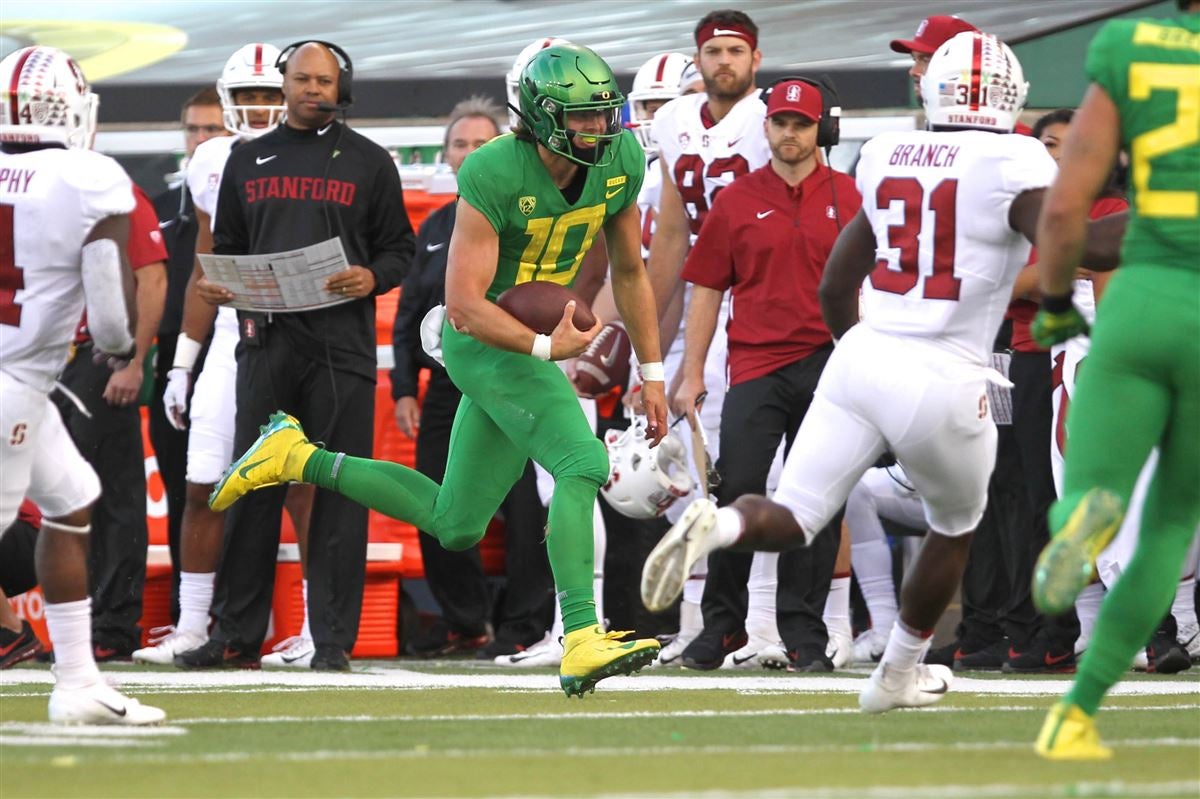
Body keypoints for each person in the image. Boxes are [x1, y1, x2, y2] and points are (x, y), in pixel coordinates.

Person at [641, 31, 1123, 712]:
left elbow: (837, 286)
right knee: (956, 524)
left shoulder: (889, 152)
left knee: (793, 514)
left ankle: (719, 526)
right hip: (947, 373)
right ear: (1010, 94)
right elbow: (1082, 243)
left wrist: (863, 362)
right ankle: (897, 672)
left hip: (861, 357)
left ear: (932, 88)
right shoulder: (1012, 157)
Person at [210, 42, 669, 697]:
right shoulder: (491, 170)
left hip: (534, 334)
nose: (599, 130)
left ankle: (296, 456)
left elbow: (628, 270)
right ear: (541, 118)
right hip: (481, 339)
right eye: (582, 119)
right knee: (582, 463)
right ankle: (581, 637)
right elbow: (462, 305)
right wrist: (546, 351)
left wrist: (652, 371)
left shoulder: (620, 160)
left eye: (603, 116)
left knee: (457, 521)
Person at [182, 41, 414, 672]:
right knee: (251, 486)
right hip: (263, 340)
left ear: (344, 89)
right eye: (303, 79)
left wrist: (371, 278)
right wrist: (215, 284)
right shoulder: (245, 159)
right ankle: (235, 636)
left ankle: (332, 640)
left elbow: (400, 250)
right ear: (284, 83)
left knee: (337, 491)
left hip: (342, 347)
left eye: (325, 81)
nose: (314, 90)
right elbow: (226, 244)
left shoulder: (369, 161)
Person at [1030, 0, 1199, 760]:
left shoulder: (1132, 43)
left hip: (1142, 293)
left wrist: (1060, 302)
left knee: (1095, 484)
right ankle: (1078, 711)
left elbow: (1066, 207)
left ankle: (1081, 519)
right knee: (1168, 527)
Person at [135, 44, 314, 668]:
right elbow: (205, 267)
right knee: (202, 481)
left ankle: (317, 627)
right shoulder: (212, 159)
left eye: (271, 95)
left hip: (302, 328)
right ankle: (192, 624)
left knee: (302, 484)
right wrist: (184, 359)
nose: (261, 109)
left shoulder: (324, 150)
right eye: (249, 97)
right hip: (233, 333)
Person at [0, 45, 165, 724]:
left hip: (20, 381)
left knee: (73, 498)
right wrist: (119, 344)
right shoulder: (86, 175)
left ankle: (76, 681)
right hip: (14, 377)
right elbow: (105, 278)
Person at [675, 77, 861, 671]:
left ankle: (805, 633)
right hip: (756, 363)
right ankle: (723, 625)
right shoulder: (735, 199)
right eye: (780, 122)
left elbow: (880, 286)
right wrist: (690, 372)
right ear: (767, 126)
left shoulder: (854, 196)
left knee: (818, 500)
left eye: (801, 124)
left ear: (820, 130)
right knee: (737, 491)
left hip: (832, 366)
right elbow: (706, 288)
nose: (789, 133)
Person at [52, 105, 168, 661]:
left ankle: (112, 625)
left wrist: (131, 360)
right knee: (52, 498)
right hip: (35, 361)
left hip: (93, 357)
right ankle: (67, 626)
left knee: (109, 496)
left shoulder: (110, 188)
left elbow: (151, 276)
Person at [392, 95, 506, 658]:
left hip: (517, 378)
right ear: (447, 155)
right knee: (440, 506)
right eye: (460, 144)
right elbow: (409, 313)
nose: (470, 153)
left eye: (482, 143)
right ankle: (466, 624)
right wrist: (402, 389)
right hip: (447, 386)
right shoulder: (436, 226)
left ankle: (532, 624)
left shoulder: (527, 216)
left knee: (532, 504)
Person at [150, 87, 230, 619]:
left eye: (212, 129)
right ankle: (191, 614)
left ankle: (239, 618)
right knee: (188, 488)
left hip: (237, 352)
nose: (201, 140)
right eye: (193, 130)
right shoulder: (161, 214)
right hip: (178, 362)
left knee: (249, 491)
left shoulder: (252, 200)